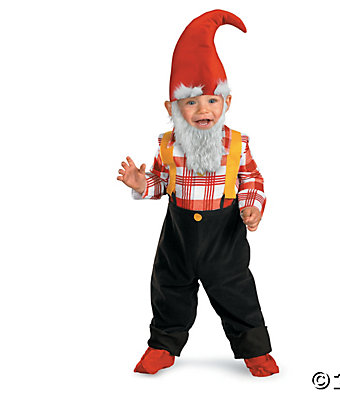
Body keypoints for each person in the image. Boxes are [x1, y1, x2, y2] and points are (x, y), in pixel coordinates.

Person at [117, 10, 279, 377]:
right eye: (191, 102)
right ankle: (162, 346)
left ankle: (255, 350)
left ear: (227, 103)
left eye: (212, 101)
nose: (203, 109)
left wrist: (251, 207)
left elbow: (252, 179)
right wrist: (142, 185)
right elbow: (161, 183)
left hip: (224, 236)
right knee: (168, 288)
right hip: (178, 236)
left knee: (236, 292)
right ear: (172, 108)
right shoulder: (167, 145)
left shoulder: (237, 144)